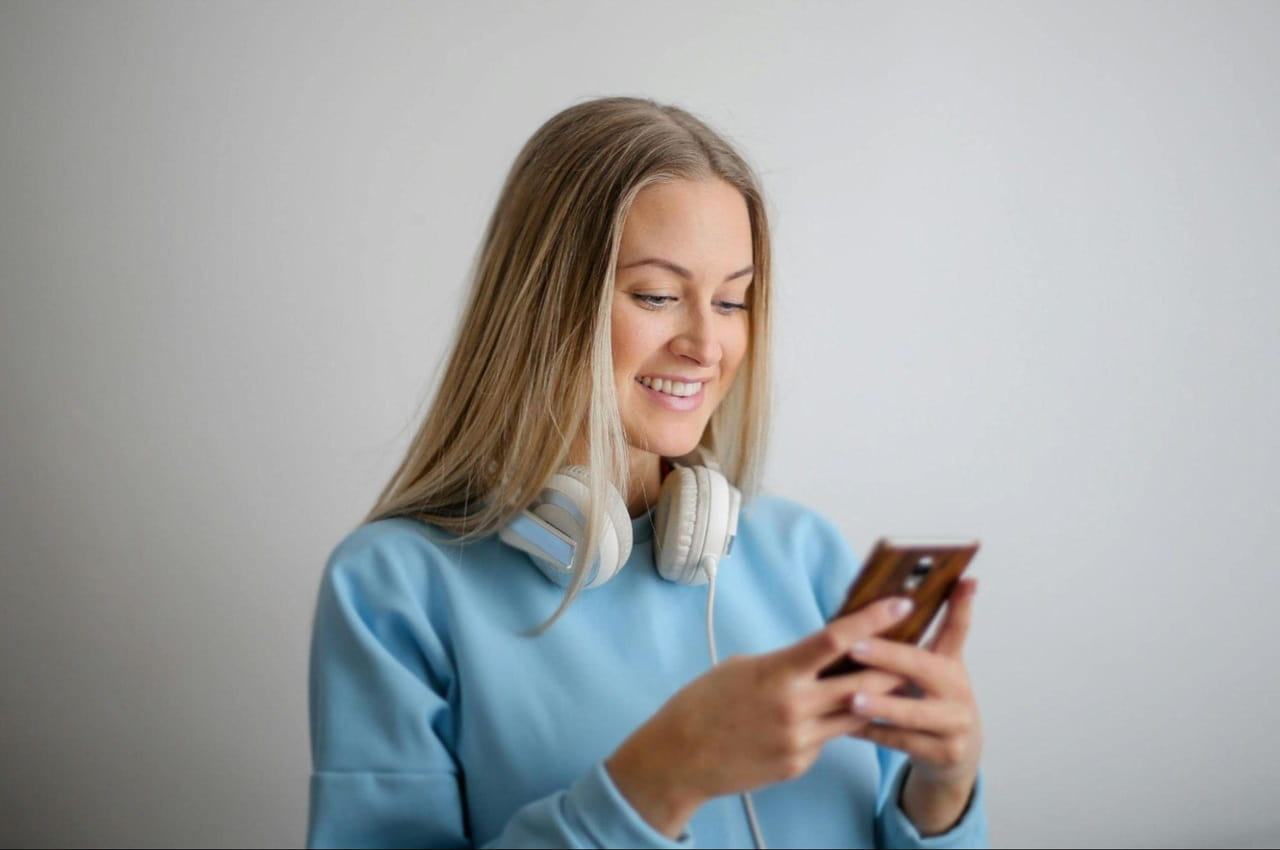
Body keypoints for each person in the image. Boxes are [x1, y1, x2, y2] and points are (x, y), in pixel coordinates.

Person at [307, 96, 988, 849]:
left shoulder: (804, 554)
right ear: (544, 305)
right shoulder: (393, 589)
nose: (707, 343)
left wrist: (943, 796)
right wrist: (660, 780)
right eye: (659, 296)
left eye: (732, 300)